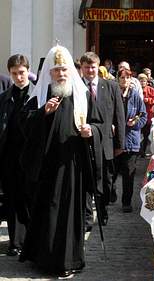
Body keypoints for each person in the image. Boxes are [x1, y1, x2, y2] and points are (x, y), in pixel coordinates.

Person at [19, 45, 103, 278]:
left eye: (64, 69)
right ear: (50, 73)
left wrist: (91, 132)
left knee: (69, 213)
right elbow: (24, 126)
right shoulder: (40, 96)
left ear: (71, 71)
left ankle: (69, 259)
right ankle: (43, 258)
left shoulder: (82, 95)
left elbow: (99, 125)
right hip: (47, 167)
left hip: (72, 166)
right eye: (56, 70)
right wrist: (43, 114)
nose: (61, 74)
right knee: (49, 211)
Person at [80, 52, 125, 230]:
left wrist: (120, 144)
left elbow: (119, 116)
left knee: (106, 182)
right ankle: (87, 218)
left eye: (92, 67)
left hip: (106, 143)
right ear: (82, 68)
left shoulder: (111, 86)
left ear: (98, 67)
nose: (90, 70)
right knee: (85, 182)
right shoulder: (77, 88)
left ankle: (102, 209)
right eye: (86, 67)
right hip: (83, 143)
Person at [0, 54, 34, 256]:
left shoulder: (37, 95)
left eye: (21, 73)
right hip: (10, 158)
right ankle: (15, 241)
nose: (19, 77)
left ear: (27, 72)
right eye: (14, 74)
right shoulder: (4, 98)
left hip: (30, 158)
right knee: (12, 201)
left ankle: (30, 239)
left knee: (30, 199)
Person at [114, 68, 147, 213]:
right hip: (115, 140)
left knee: (129, 174)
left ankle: (126, 202)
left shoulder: (135, 96)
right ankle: (111, 192)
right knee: (112, 172)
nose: (125, 80)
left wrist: (135, 123)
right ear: (118, 79)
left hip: (131, 141)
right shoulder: (113, 94)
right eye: (122, 78)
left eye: (127, 78)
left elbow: (144, 116)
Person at [138, 73, 154, 157]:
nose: (142, 83)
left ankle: (143, 151)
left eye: (144, 81)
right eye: (141, 81)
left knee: (146, 134)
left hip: (148, 114)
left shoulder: (151, 90)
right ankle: (137, 151)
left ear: (147, 82)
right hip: (138, 115)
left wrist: (148, 100)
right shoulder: (135, 90)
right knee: (138, 134)